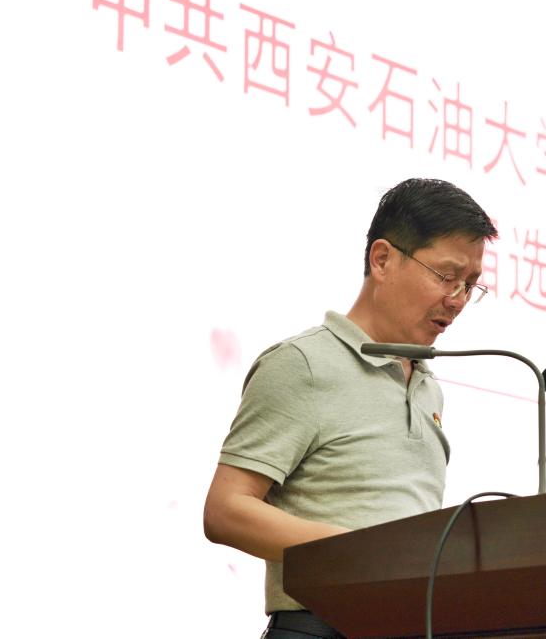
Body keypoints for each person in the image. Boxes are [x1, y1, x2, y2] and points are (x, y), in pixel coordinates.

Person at [203, 177, 498, 638]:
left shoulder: (428, 387)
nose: (457, 300)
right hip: (318, 626)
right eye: (446, 276)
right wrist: (360, 550)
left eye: (470, 285)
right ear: (382, 260)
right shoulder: (303, 363)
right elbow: (225, 510)